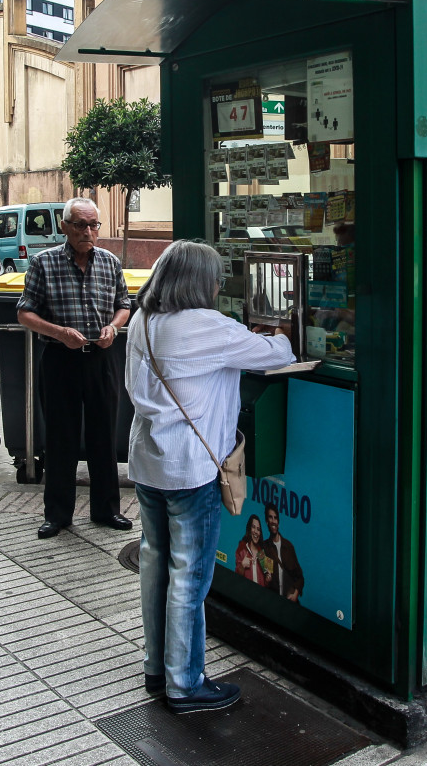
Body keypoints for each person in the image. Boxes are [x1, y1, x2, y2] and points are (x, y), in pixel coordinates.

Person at [125, 239, 294, 714]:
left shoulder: (143, 321)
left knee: (156, 564)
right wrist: (271, 332)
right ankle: (186, 684)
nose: (221, 285)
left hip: (149, 461)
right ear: (202, 282)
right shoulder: (207, 325)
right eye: (217, 277)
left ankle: (156, 668)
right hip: (192, 469)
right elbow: (277, 353)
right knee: (190, 576)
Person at [16, 196, 132, 539]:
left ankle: (107, 510)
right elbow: (24, 312)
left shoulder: (110, 262)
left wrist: (113, 327)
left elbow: (123, 304)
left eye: (93, 225)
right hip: (59, 359)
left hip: (100, 358)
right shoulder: (43, 263)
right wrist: (59, 332)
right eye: (80, 224)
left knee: (103, 436)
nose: (88, 231)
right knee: (60, 438)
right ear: (64, 226)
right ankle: (58, 514)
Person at [262, 502, 304, 603]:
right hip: (272, 602)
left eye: (275, 518)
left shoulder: (288, 546)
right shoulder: (264, 547)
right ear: (266, 521)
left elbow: (300, 578)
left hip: (290, 602)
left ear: (278, 522)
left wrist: (295, 594)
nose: (273, 521)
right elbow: (263, 578)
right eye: (270, 518)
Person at [235, 514, 271, 587]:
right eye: (253, 527)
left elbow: (267, 583)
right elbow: (235, 578)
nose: (256, 531)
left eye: (258, 529)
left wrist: (268, 580)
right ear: (249, 529)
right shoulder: (241, 549)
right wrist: (242, 566)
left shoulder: (263, 554)